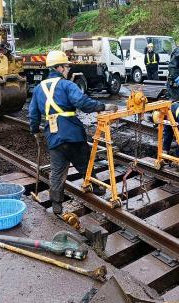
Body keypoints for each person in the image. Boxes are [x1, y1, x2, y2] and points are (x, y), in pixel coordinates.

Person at [28, 50, 118, 214]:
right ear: (60, 68)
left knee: (57, 172)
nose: (68, 69)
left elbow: (33, 114)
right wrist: (103, 106)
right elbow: (81, 102)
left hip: (54, 136)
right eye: (66, 66)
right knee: (84, 163)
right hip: (72, 133)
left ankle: (56, 205)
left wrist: (35, 131)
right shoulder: (67, 85)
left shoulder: (38, 89)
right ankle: (96, 186)